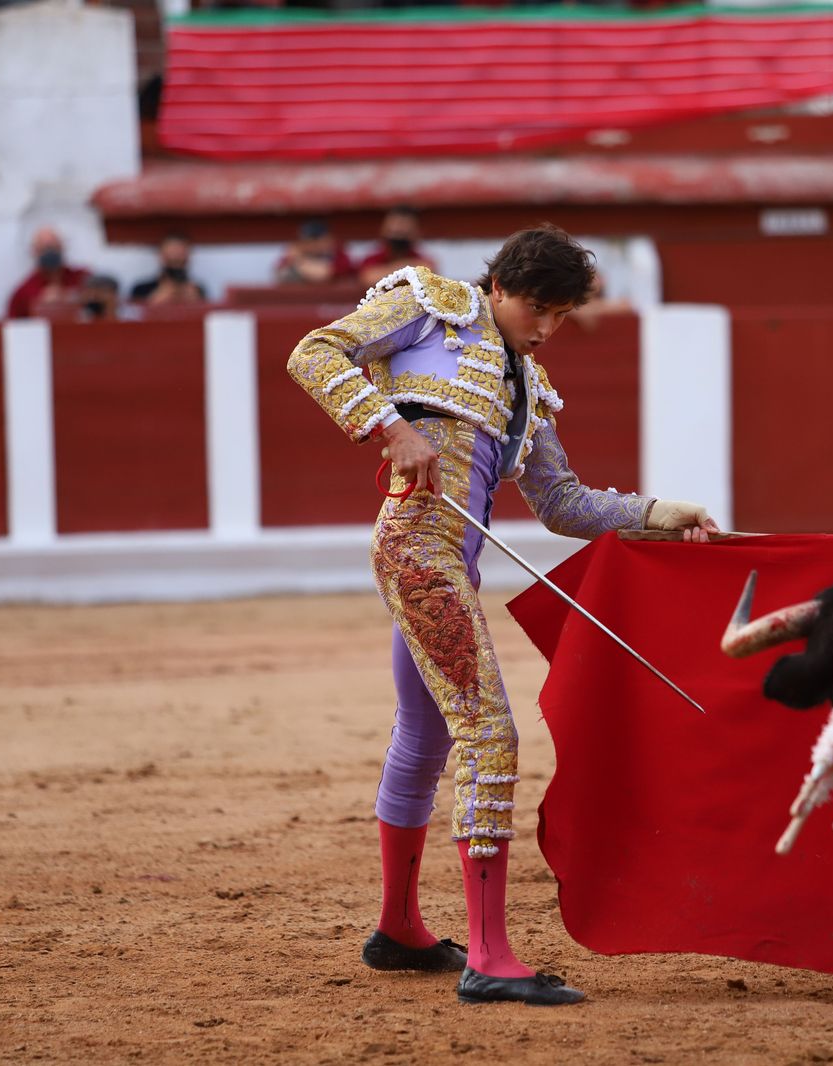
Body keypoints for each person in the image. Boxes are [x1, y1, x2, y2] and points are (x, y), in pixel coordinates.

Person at [286, 224, 720, 1007]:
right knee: (489, 731)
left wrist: (659, 510)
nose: (546, 329)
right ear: (500, 286)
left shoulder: (527, 386)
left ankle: (399, 928)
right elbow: (314, 351)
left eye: (559, 316)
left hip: (457, 564)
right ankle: (488, 955)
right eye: (538, 309)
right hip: (418, 550)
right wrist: (392, 427)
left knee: (424, 735)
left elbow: (562, 502)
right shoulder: (429, 307)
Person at [7, 227, 88, 320]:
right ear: (34, 251)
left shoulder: (83, 279)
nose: (50, 252)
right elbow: (12, 328)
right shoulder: (23, 292)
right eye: (44, 248)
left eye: (54, 247)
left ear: (62, 247)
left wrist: (69, 297)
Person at [354, 205, 436, 287]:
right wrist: (411, 268)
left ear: (416, 232)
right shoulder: (371, 259)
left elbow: (430, 272)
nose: (399, 231)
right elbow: (369, 278)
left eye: (404, 231)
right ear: (383, 230)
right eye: (394, 231)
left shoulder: (423, 259)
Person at [129, 233, 207, 304]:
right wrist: (153, 301)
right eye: (170, 256)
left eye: (180, 256)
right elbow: (131, 314)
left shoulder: (198, 290)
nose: (176, 258)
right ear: (161, 256)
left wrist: (196, 302)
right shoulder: (141, 290)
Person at [275, 216, 354, 285]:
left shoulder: (339, 256)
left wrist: (300, 261)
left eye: (317, 240)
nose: (314, 245)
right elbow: (280, 274)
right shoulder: (294, 255)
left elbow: (324, 273)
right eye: (310, 241)